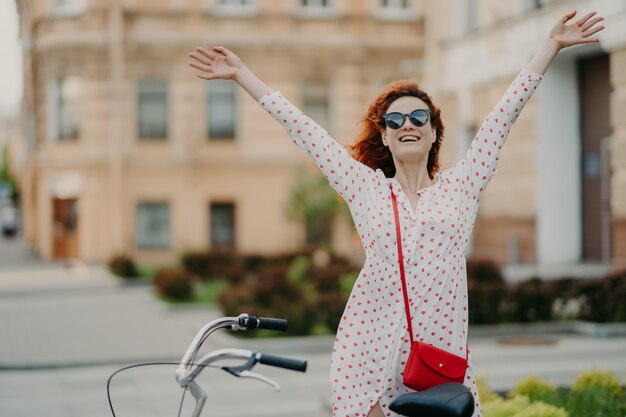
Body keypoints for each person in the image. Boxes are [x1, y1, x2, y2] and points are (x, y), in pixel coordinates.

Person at [189, 10, 605, 417]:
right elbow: (305, 131)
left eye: (419, 116)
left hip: (440, 360)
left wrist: (550, 46)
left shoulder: (462, 185)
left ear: (434, 132)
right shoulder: (364, 188)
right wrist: (243, 75)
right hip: (370, 357)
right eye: (396, 118)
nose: (409, 123)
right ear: (385, 136)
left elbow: (501, 119)